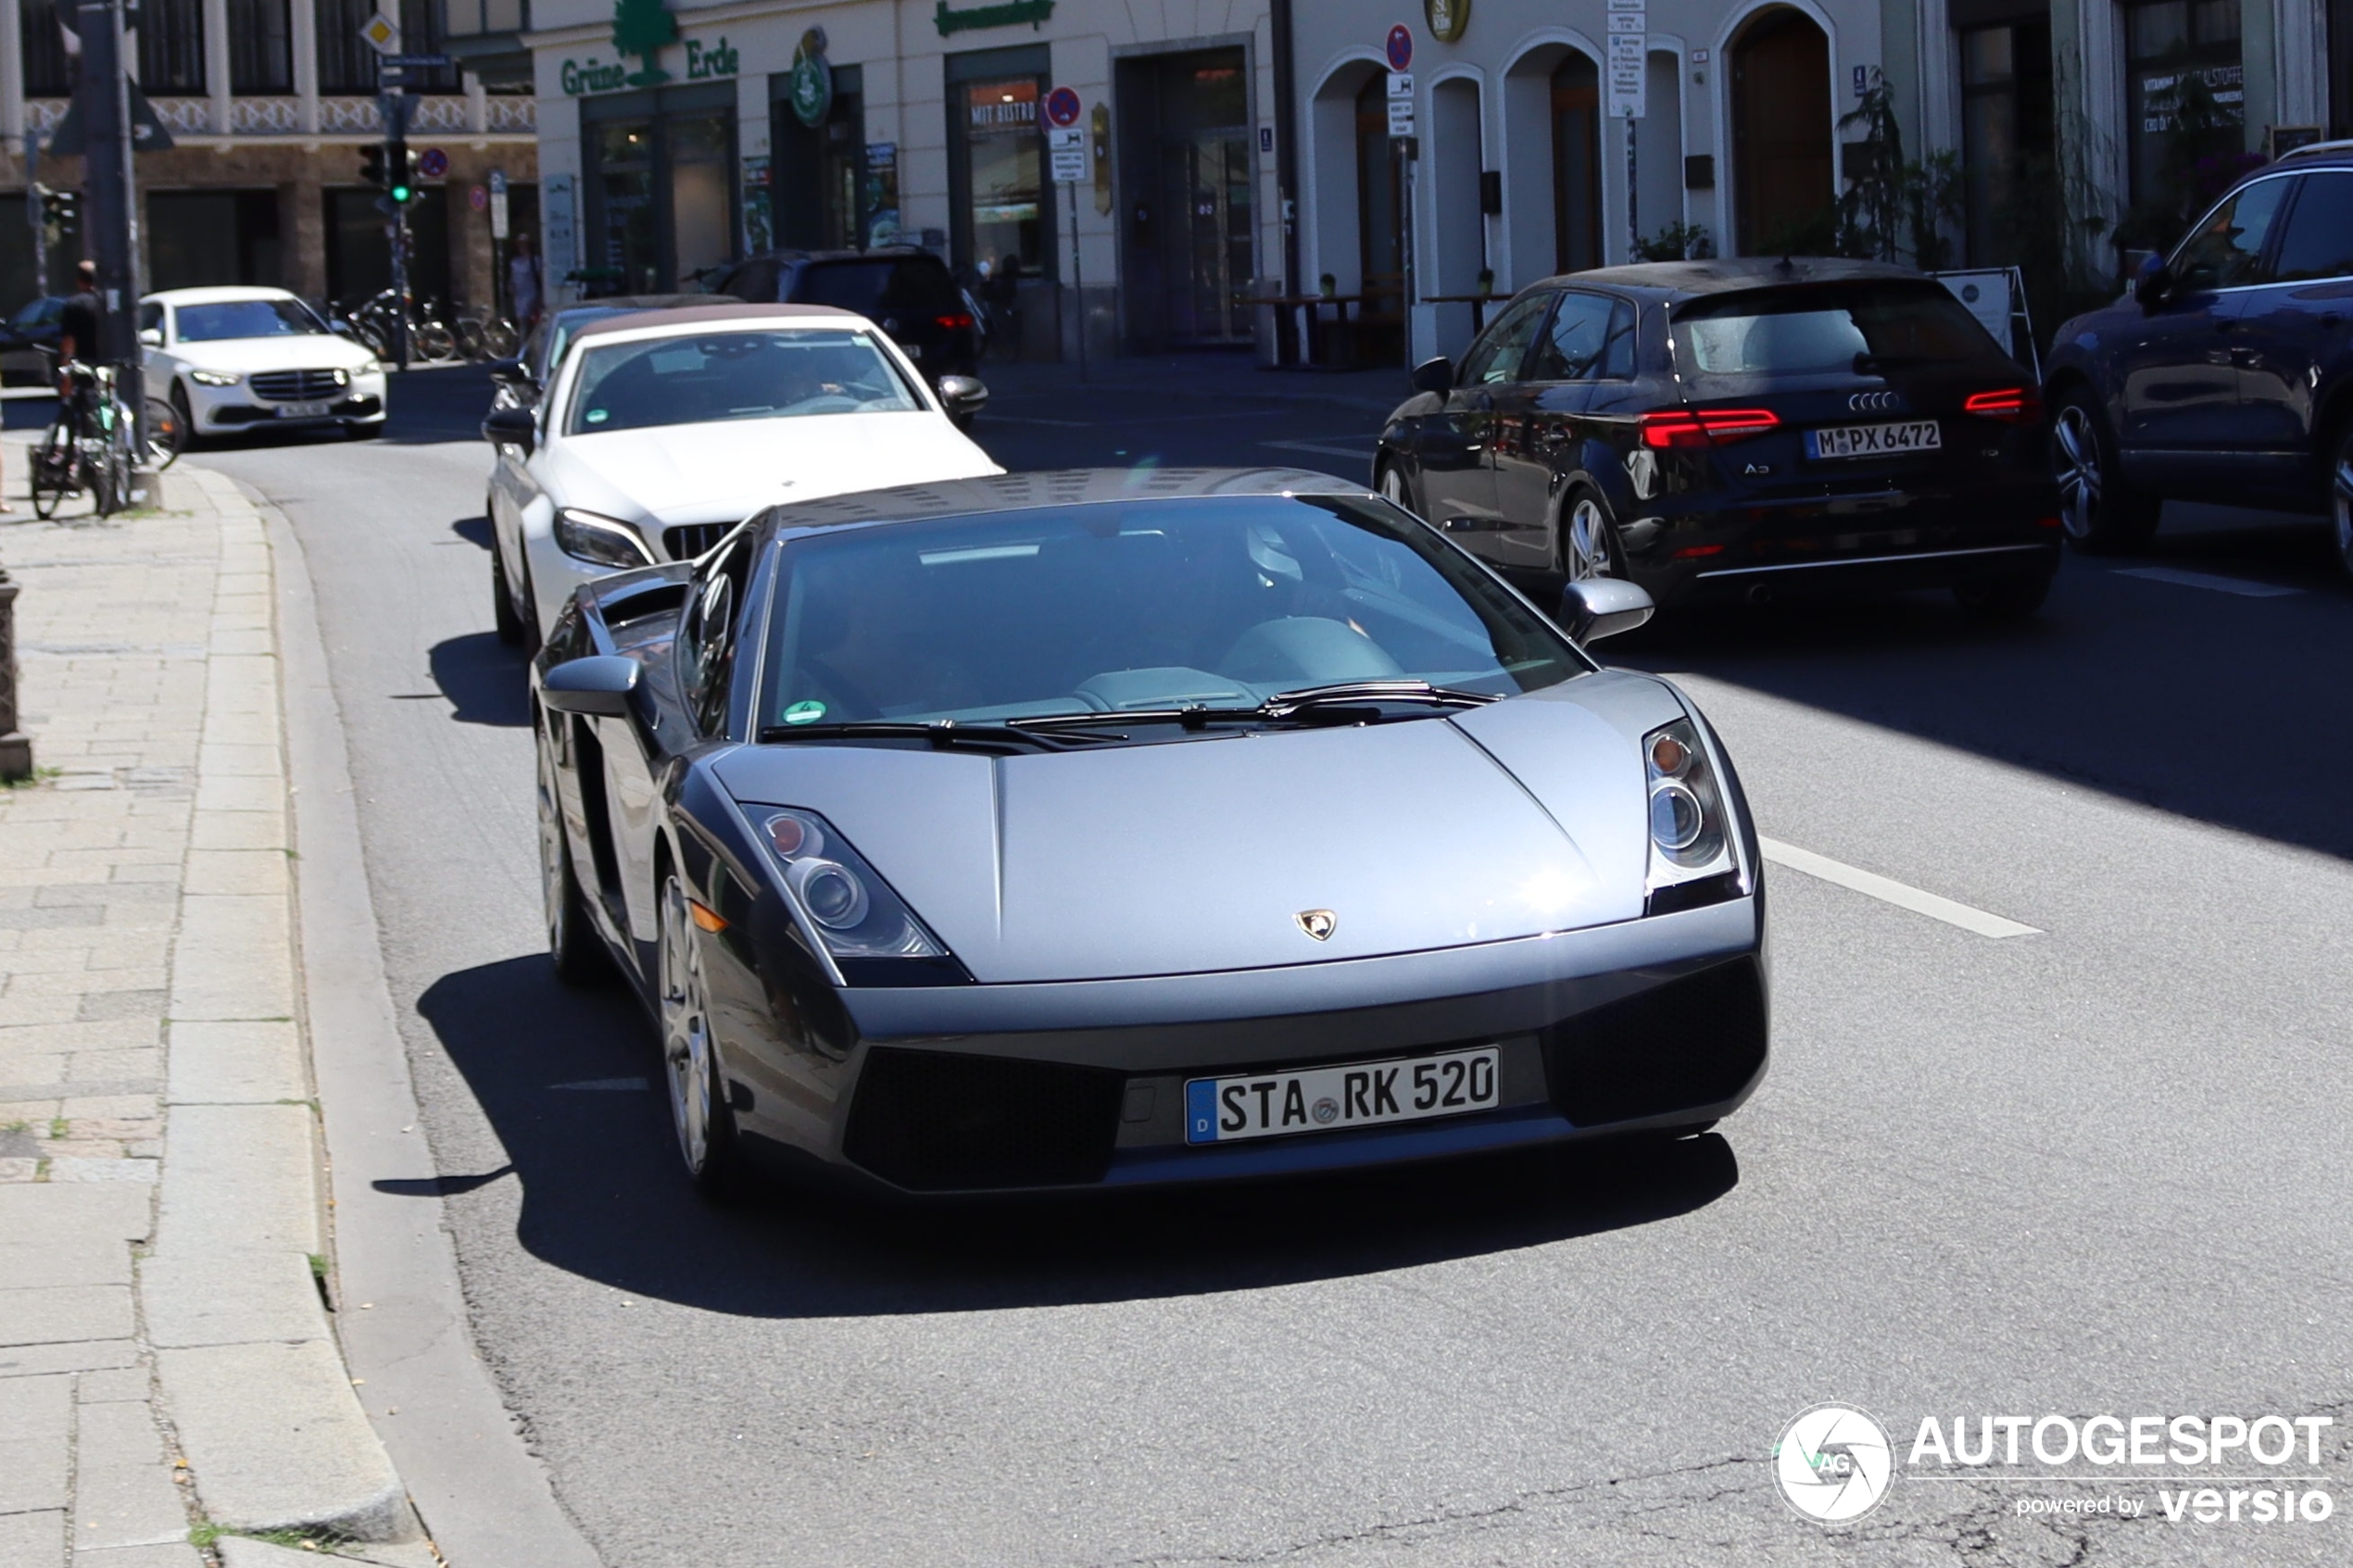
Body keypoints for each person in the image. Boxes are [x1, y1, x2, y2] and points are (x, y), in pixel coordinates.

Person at [508, 232, 544, 329]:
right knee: (522, 323)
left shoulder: (535, 261)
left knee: (533, 322)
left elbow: (540, 278)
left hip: (532, 295)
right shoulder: (515, 262)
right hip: (519, 297)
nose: (522, 247)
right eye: (520, 245)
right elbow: (513, 278)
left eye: (524, 245)